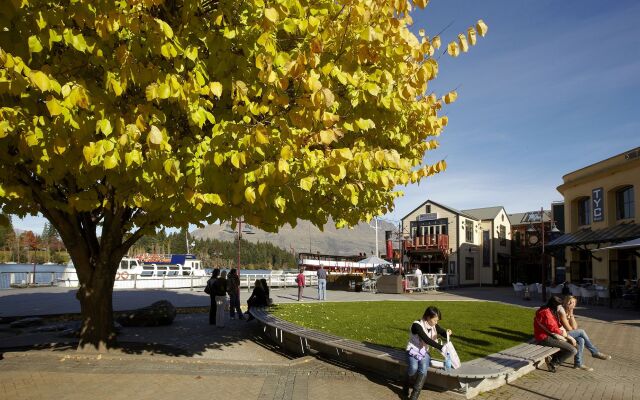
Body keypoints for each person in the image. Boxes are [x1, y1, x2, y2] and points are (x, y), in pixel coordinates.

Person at [402, 306, 452, 400]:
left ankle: (414, 396)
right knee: (413, 368)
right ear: (428, 317)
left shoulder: (433, 326)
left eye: (437, 321)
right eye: (435, 320)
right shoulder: (416, 325)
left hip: (424, 352)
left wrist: (447, 333)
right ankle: (406, 385)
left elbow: (442, 332)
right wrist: (442, 348)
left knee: (423, 369)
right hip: (413, 350)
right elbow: (426, 339)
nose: (436, 323)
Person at [558, 295, 611, 371]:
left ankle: (578, 364)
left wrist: (571, 314)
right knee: (581, 331)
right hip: (559, 334)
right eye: (569, 302)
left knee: (581, 340)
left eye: (573, 302)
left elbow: (575, 327)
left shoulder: (569, 311)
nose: (571, 304)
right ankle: (594, 352)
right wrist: (569, 315)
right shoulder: (562, 311)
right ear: (565, 302)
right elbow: (569, 328)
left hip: (566, 333)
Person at [533, 296, 578, 373]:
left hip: (550, 335)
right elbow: (553, 328)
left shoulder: (549, 310)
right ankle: (553, 363)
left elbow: (556, 325)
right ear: (554, 305)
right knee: (573, 350)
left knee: (577, 345)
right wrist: (568, 336)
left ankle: (554, 357)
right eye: (559, 305)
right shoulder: (545, 312)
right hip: (544, 338)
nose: (560, 307)